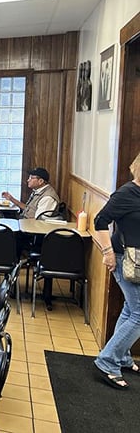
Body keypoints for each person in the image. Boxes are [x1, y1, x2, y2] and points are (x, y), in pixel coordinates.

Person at [93, 152, 140, 390]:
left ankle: (121, 356)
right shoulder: (126, 193)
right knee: (139, 313)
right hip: (124, 258)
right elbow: (99, 220)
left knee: (130, 309)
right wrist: (108, 253)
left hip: (138, 260)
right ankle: (108, 360)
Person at [3, 168, 61, 308]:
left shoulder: (47, 197)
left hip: (35, 237)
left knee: (8, 239)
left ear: (41, 181)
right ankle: (8, 278)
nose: (28, 180)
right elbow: (28, 210)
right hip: (26, 228)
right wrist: (12, 199)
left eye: (31, 178)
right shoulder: (38, 192)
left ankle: (10, 276)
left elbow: (37, 222)